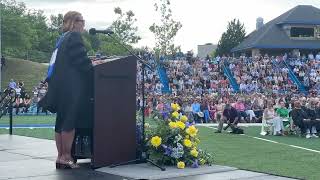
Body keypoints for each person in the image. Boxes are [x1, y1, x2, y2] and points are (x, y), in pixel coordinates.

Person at [49, 11, 101, 169]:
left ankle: (60, 157)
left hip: (61, 85)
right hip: (72, 86)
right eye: (82, 21)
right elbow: (80, 61)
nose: (84, 24)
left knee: (61, 122)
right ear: (74, 22)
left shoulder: (63, 38)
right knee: (69, 122)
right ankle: (67, 157)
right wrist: (93, 65)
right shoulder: (74, 36)